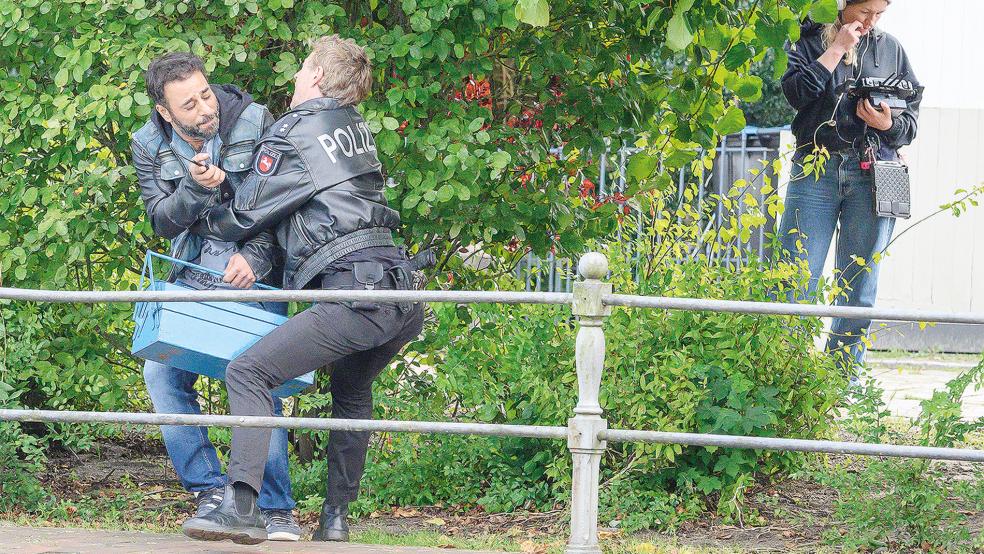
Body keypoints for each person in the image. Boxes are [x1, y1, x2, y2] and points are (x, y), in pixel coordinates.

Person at [178, 35, 425, 545]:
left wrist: (199, 204)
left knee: (249, 371)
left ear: (315, 77)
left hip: (353, 294)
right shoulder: (356, 127)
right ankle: (334, 522)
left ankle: (241, 506)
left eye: (301, 68)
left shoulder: (293, 131)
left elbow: (245, 216)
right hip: (400, 294)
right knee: (352, 396)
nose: (293, 78)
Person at [130, 52, 300, 541]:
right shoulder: (147, 143)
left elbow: (279, 200)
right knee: (160, 370)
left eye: (206, 94)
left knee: (252, 377)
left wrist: (258, 257)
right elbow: (161, 218)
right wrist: (192, 186)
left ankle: (273, 507)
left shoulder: (252, 118)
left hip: (254, 270)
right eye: (189, 104)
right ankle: (209, 490)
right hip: (191, 273)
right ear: (166, 112)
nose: (205, 109)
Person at [777, 0, 920, 378]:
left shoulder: (891, 49)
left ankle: (840, 388)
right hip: (815, 167)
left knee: (858, 286)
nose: (871, 22)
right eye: (864, 13)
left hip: (873, 171)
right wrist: (837, 47)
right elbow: (795, 94)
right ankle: (781, 380)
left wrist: (888, 125)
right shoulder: (806, 39)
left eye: (879, 14)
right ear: (843, 5)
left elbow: (910, 123)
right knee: (793, 278)